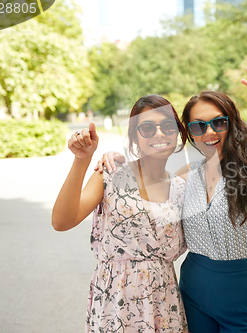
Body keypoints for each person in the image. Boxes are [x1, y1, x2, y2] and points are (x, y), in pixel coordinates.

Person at [99, 68, 247, 332]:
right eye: (199, 126)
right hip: (193, 289)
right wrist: (114, 157)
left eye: (219, 122)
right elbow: (145, 182)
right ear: (190, 132)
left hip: (240, 292)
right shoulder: (185, 175)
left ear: (232, 123)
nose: (209, 132)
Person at [52, 95, 189, 332]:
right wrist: (81, 161)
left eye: (167, 126)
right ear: (134, 136)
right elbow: (61, 221)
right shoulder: (111, 175)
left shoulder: (182, 188)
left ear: (177, 132)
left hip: (164, 305)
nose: (159, 133)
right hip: (114, 301)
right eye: (147, 127)